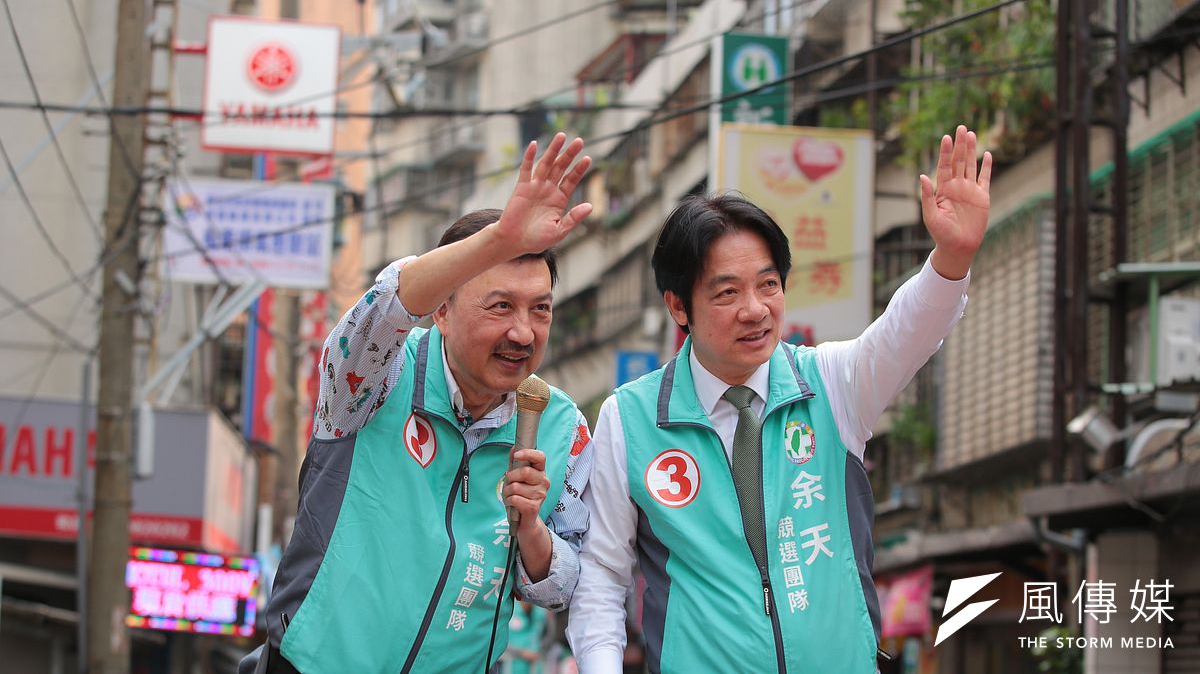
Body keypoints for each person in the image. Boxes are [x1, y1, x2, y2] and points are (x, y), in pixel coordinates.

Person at [567, 126, 992, 673]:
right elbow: (601, 573)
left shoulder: (832, 383)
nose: (755, 309)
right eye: (726, 292)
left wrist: (951, 258)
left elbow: (906, 332)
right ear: (678, 307)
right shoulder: (629, 419)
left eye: (769, 285)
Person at [240, 133, 597, 673]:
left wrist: (531, 529)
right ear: (443, 311)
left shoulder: (561, 425)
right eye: (500, 306)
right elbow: (386, 306)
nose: (523, 333)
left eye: (540, 310)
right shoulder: (378, 375)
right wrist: (499, 239)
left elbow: (561, 586)